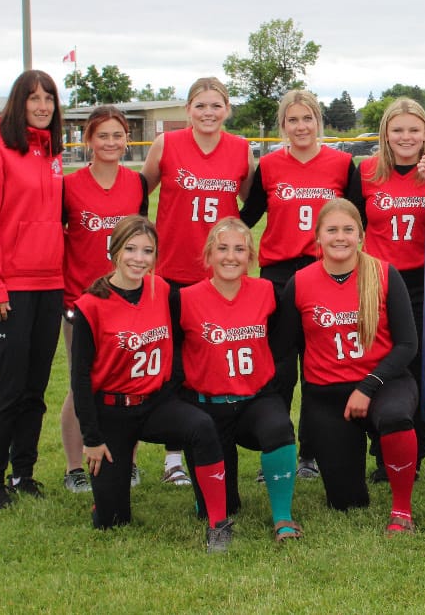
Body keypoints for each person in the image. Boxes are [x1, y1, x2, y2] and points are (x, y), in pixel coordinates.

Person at [69, 216, 234, 553]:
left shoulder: (162, 289)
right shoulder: (90, 304)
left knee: (201, 425)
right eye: (130, 249)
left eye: (147, 251)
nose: (138, 258)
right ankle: (105, 498)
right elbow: (80, 379)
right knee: (112, 521)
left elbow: (178, 343)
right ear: (114, 250)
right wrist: (92, 438)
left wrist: (172, 388)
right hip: (113, 411)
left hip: (155, 404)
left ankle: (217, 521)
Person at [273, 199, 421, 534]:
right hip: (328, 394)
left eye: (348, 230)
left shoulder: (384, 274)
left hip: (384, 382)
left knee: (396, 417)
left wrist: (367, 386)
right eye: (332, 230)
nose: (340, 237)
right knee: (346, 501)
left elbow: (407, 345)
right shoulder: (300, 283)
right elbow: (283, 347)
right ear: (318, 238)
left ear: (361, 236)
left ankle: (402, 510)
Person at [140, 76, 253, 486]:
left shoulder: (241, 149)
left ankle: (217, 442)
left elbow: (252, 201)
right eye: (200, 105)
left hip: (220, 276)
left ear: (227, 110)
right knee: (174, 364)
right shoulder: (167, 145)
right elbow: (139, 193)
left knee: (214, 359)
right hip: (172, 270)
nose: (208, 113)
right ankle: (174, 457)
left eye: (216, 105)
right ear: (187, 109)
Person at [240, 89, 357, 479]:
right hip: (277, 275)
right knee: (279, 367)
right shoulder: (270, 165)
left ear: (318, 121)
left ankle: (311, 453)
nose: (301, 126)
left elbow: (360, 220)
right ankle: (278, 447)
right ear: (283, 126)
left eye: (307, 118)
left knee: (318, 366)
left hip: (324, 273)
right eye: (292, 120)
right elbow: (248, 215)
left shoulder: (341, 163)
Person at [174, 218, 302, 542]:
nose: (231, 257)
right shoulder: (185, 299)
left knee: (279, 428)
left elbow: (285, 337)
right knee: (220, 508)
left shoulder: (267, 292)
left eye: (239, 249)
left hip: (254, 401)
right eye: (222, 248)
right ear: (208, 256)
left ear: (250, 258)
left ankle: (283, 518)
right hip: (207, 409)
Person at [0, 70, 66, 508]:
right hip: (9, 288)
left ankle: (22, 473)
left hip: (50, 285)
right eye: (34, 98)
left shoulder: (52, 153)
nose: (43, 105)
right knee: (7, 389)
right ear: (19, 103)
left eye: (49, 98)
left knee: (35, 388)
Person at [60, 105, 149, 493]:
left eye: (118, 135)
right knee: (82, 382)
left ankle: (126, 462)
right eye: (103, 135)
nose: (111, 142)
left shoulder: (137, 183)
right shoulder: (69, 184)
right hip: (80, 297)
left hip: (126, 296)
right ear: (88, 140)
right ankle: (74, 466)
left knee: (128, 382)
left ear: (127, 139)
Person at [356, 97, 425, 476]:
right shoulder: (367, 171)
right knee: (376, 362)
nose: (406, 136)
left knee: (417, 367)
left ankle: (412, 454)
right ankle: (380, 449)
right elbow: (350, 220)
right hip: (377, 280)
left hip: (422, 281)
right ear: (386, 133)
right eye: (398, 129)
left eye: (414, 129)